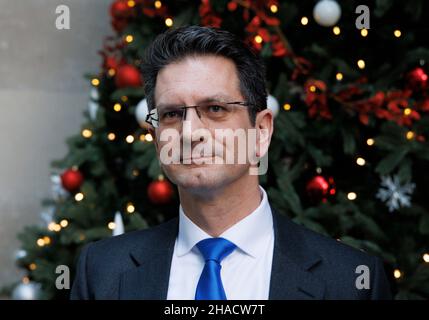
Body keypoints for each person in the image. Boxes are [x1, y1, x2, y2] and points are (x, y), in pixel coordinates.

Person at [70, 26, 391, 300]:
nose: (190, 133)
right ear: (156, 140)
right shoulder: (102, 272)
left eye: (215, 109)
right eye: (171, 115)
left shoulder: (351, 280)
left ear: (261, 130)